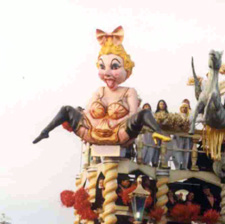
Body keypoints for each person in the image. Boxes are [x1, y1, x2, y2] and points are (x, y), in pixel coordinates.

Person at [33, 27, 167, 147]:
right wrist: (83, 120)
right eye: (102, 67)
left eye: (114, 67)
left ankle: (158, 132)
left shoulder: (129, 92)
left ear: (126, 68)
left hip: (119, 133)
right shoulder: (100, 91)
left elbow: (132, 115)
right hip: (91, 133)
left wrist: (115, 123)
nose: (107, 73)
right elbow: (87, 113)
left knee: (144, 113)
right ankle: (45, 132)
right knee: (66, 109)